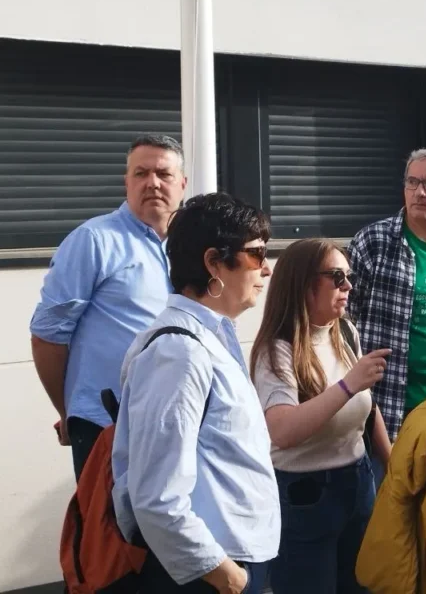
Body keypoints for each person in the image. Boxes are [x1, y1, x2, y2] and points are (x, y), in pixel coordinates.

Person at [111, 193, 278, 593]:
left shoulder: (210, 337)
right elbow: (157, 496)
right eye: (256, 254)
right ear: (213, 262)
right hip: (208, 573)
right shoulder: (179, 351)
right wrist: (224, 574)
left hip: (231, 559)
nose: (266, 269)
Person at [30, 134, 186, 479]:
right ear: (126, 182)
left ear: (183, 183)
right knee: (106, 531)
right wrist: (69, 409)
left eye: (164, 174)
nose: (152, 183)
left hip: (176, 421)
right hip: (106, 425)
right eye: (141, 173)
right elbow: (47, 337)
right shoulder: (95, 241)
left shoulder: (191, 246)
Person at [250, 239, 392, 594]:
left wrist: (392, 462)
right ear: (303, 283)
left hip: (357, 481)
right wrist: (348, 384)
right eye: (337, 276)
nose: (348, 286)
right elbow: (282, 431)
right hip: (306, 494)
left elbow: (368, 407)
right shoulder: (276, 350)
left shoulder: (344, 331)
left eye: (348, 276)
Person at [346, 147, 426, 482]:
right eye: (412, 182)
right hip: (387, 406)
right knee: (388, 517)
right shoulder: (373, 242)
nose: (419, 192)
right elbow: (344, 323)